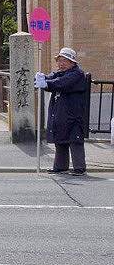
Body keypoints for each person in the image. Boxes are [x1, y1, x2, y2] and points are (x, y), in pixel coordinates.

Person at [35, 47, 87, 176]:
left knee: (75, 140)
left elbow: (61, 83)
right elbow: (53, 77)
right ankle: (60, 166)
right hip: (61, 112)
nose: (61, 63)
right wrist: (42, 78)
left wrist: (46, 84)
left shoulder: (77, 74)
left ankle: (79, 168)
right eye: (59, 60)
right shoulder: (60, 73)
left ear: (73, 62)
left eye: (65, 60)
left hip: (74, 114)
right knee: (60, 139)